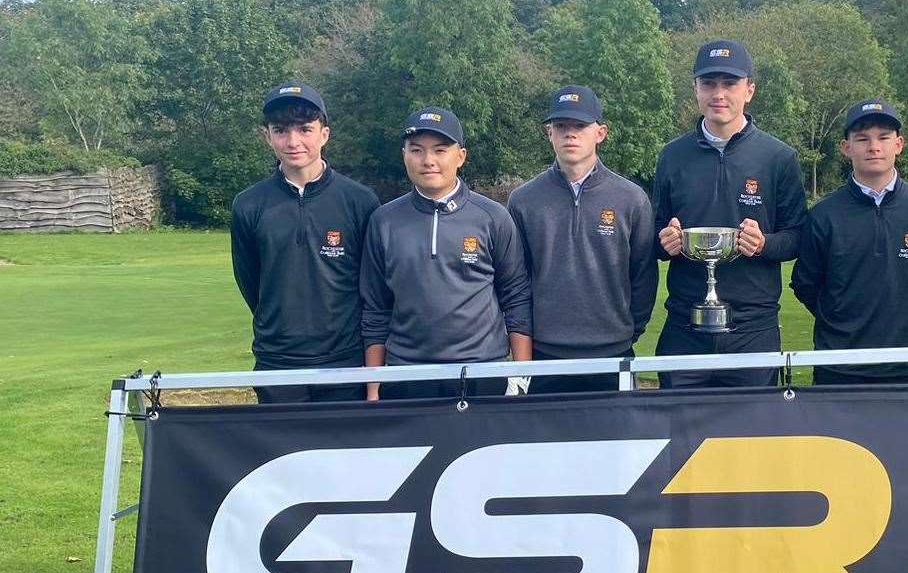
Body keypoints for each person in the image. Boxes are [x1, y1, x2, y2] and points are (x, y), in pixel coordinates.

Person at [653, 39, 808, 388]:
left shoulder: (778, 157)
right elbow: (652, 235)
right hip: (684, 328)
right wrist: (664, 242)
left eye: (729, 84)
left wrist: (764, 244)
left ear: (749, 90)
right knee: (679, 435)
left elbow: (799, 236)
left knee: (751, 437)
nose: (718, 94)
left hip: (753, 329)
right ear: (695, 89)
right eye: (708, 84)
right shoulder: (672, 156)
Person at [361, 107, 532, 400]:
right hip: (408, 374)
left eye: (440, 150)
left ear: (461, 156)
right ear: (404, 154)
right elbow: (375, 309)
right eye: (417, 150)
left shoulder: (492, 217)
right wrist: (374, 388)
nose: (428, 161)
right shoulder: (383, 221)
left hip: (482, 372)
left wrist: (522, 377)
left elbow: (516, 297)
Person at [230, 81, 380, 404]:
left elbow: (372, 287)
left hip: (345, 363)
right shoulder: (248, 205)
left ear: (324, 134)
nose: (293, 141)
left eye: (305, 129)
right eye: (281, 130)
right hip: (277, 363)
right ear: (267, 135)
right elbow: (251, 283)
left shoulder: (360, 201)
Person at [791, 99, 908, 384]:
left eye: (883, 138)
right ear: (846, 148)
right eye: (862, 139)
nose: (874, 147)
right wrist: (843, 322)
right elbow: (806, 284)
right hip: (838, 369)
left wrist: (905, 317)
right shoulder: (823, 214)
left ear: (899, 144)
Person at [507, 85, 657, 393]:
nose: (570, 134)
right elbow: (516, 282)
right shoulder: (523, 200)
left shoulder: (630, 198)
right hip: (546, 355)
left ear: (600, 133)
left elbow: (643, 276)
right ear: (549, 133)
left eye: (580, 126)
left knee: (619, 442)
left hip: (613, 353)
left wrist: (628, 330)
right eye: (561, 127)